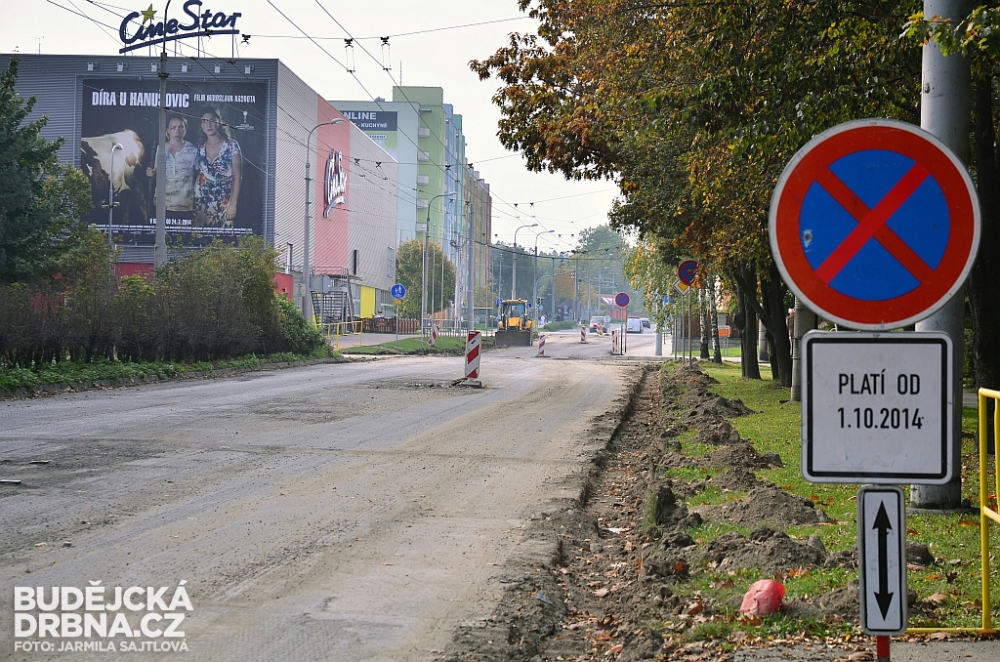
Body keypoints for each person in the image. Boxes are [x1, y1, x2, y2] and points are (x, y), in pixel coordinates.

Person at [195, 107, 243, 227]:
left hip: (225, 204)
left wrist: (233, 204)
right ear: (201, 125)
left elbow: (238, 178)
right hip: (202, 205)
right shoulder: (199, 146)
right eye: (205, 121)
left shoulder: (231, 146)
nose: (209, 124)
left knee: (223, 241)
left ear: (219, 122)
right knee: (198, 241)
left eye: (212, 120)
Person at [146, 114, 199, 211]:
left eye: (181, 127)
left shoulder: (193, 150)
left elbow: (198, 175)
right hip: (162, 204)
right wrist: (151, 173)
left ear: (185, 129)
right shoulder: (159, 148)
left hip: (185, 205)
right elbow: (156, 172)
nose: (177, 131)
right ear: (168, 130)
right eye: (173, 127)